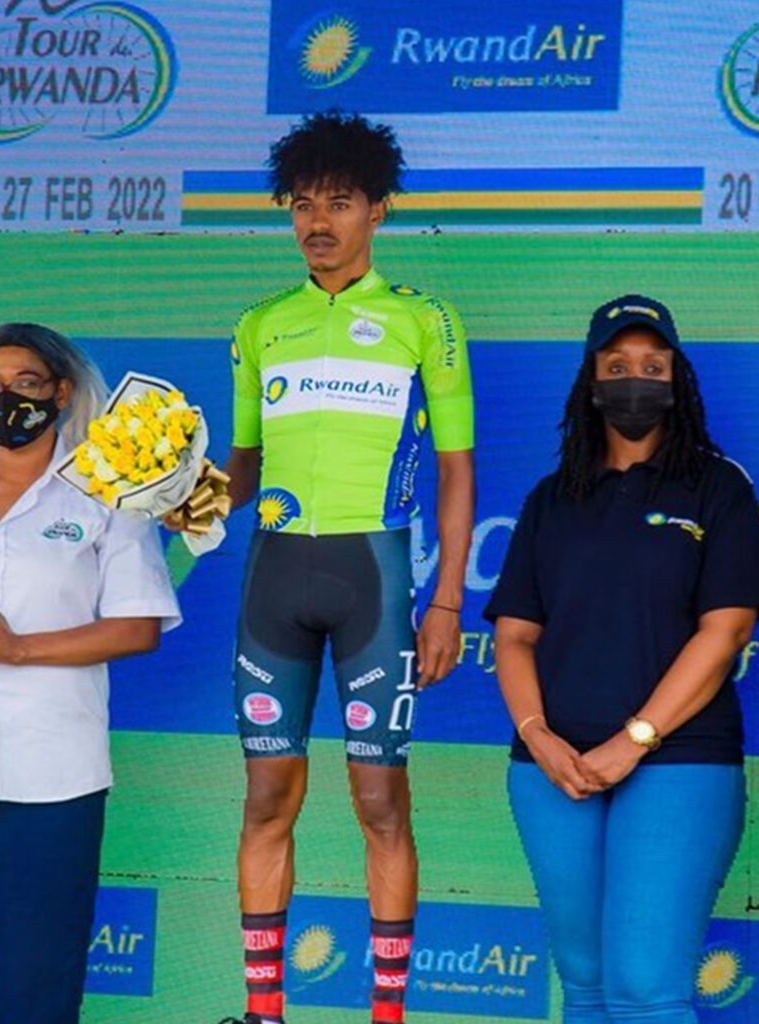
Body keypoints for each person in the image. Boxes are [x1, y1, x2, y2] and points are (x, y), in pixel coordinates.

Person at [218, 111, 475, 1024]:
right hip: (275, 577)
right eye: (301, 204)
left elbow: (456, 470)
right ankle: (263, 1013)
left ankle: (387, 1016)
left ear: (378, 210)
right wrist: (181, 494)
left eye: (338, 202)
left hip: (376, 577)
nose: (317, 221)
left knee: (381, 803)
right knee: (265, 800)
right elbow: (243, 469)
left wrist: (446, 602)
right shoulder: (260, 325)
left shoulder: (423, 320)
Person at [485, 295, 759, 1024]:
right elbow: (514, 637)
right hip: (553, 771)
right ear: (591, 382)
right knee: (586, 987)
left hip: (679, 763)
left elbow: (726, 631)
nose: (634, 379)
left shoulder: (717, 488)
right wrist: (539, 736)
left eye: (651, 365)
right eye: (616, 366)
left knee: (644, 988)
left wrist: (632, 741)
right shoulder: (552, 499)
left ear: (676, 379)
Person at [0, 323, 181, 1024]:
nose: (6, 399)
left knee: (38, 982)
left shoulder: (105, 494)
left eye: (26, 383)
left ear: (61, 393)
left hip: (54, 775)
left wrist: (17, 648)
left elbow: (138, 626)